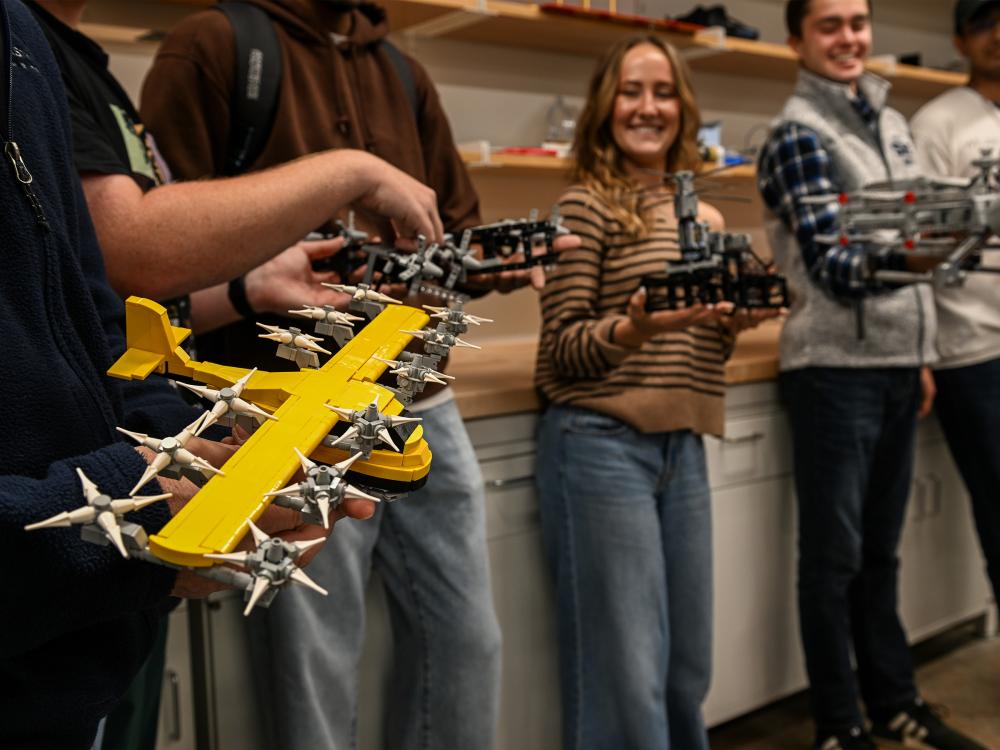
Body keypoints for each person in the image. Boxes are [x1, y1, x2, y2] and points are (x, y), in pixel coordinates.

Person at [139, 2, 579, 747]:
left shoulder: (403, 73)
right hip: (293, 416)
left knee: (468, 641)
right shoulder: (214, 46)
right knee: (316, 659)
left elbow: (455, 231)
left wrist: (505, 261)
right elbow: (159, 245)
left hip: (418, 401)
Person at [0, 2, 372, 747]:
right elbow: (134, 253)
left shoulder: (24, 38)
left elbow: (91, 303)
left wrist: (183, 449)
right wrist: (121, 512)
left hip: (75, 660)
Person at [757, 1, 988, 748]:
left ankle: (894, 701)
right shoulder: (797, 134)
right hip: (833, 372)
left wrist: (919, 349)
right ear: (797, 39)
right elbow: (836, 265)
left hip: (896, 366)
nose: (850, 37)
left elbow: (914, 228)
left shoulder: (889, 124)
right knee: (832, 561)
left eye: (858, 21)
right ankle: (839, 723)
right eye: (830, 24)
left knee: (879, 556)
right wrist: (935, 246)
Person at [534, 34, 772, 750]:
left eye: (663, 92)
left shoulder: (706, 219)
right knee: (626, 676)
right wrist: (635, 326)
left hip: (682, 448)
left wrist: (736, 320)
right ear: (606, 106)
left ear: (684, 108)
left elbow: (701, 348)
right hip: (599, 446)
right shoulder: (583, 208)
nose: (648, 107)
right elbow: (563, 352)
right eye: (631, 91)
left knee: (685, 670)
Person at [25, 0, 441, 342]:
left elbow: (108, 293)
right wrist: (349, 172)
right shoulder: (21, 49)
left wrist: (250, 289)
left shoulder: (71, 58)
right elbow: (134, 254)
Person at [910, 0, 1000, 607]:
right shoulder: (937, 124)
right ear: (960, 40)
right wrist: (920, 349)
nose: (998, 35)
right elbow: (915, 247)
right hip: (972, 351)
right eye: (983, 24)